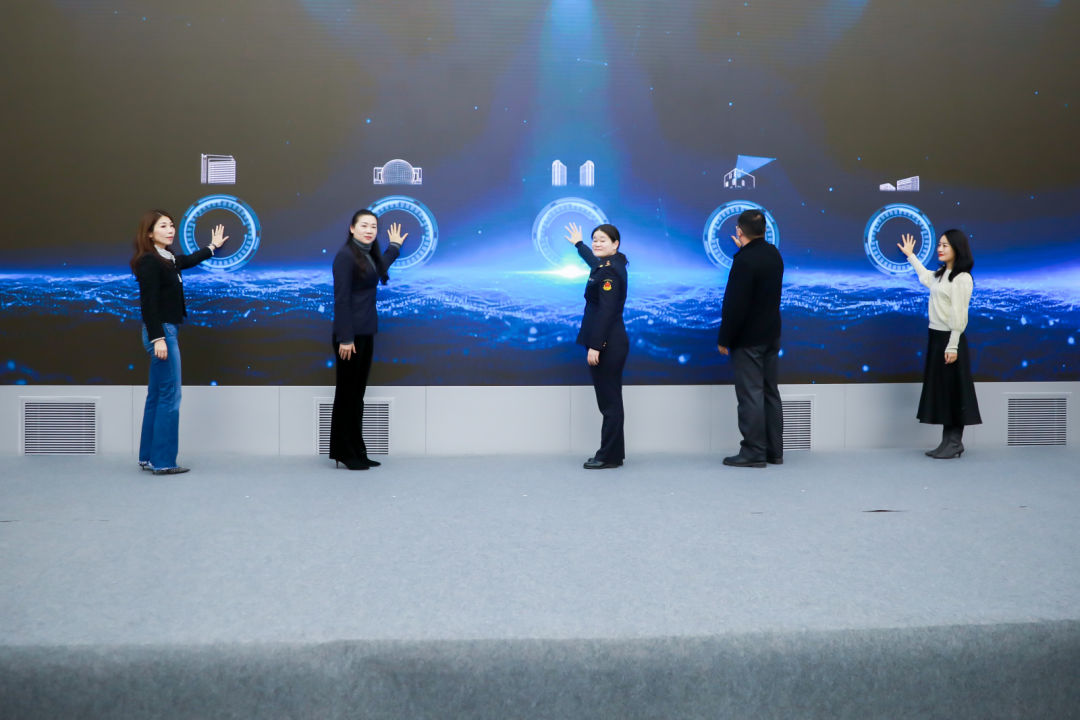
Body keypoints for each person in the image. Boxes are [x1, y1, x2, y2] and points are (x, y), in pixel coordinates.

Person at [131, 210, 227, 475]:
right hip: (162, 333)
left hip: (164, 331)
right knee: (170, 396)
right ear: (149, 233)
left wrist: (211, 247)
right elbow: (148, 304)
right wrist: (158, 338)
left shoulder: (167, 258)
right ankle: (163, 461)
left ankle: (148, 456)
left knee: (156, 395)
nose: (170, 230)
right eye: (163, 226)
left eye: (171, 225)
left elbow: (187, 260)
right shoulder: (149, 261)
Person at [330, 209, 406, 470]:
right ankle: (344, 452)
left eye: (373, 226)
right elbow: (341, 300)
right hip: (350, 337)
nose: (369, 230)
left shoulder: (367, 255)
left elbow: (378, 270)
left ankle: (358, 451)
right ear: (352, 228)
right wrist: (345, 338)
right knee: (347, 395)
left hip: (365, 333)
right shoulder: (345, 256)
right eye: (364, 225)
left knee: (357, 395)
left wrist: (394, 247)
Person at [897, 230, 982, 458]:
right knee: (945, 390)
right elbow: (926, 277)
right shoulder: (943, 274)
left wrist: (952, 345)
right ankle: (947, 442)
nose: (940, 249)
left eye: (945, 245)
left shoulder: (962, 278)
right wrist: (911, 256)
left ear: (957, 248)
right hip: (936, 337)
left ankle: (954, 443)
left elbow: (959, 314)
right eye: (939, 245)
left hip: (949, 339)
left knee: (954, 391)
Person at [716, 209, 784, 468]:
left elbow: (736, 305)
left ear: (739, 231)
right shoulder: (773, 254)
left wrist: (725, 338)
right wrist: (743, 250)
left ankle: (754, 451)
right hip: (771, 335)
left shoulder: (744, 261)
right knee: (770, 392)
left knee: (751, 395)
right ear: (764, 230)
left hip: (748, 339)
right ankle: (774, 451)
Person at [565, 221, 629, 470]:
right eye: (595, 239)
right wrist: (580, 245)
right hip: (610, 342)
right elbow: (594, 263)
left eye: (603, 240)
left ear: (616, 244)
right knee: (611, 401)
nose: (597, 243)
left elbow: (607, 311)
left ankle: (608, 456)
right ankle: (614, 454)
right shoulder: (609, 265)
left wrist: (596, 345)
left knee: (609, 403)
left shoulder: (610, 272)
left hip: (608, 344)